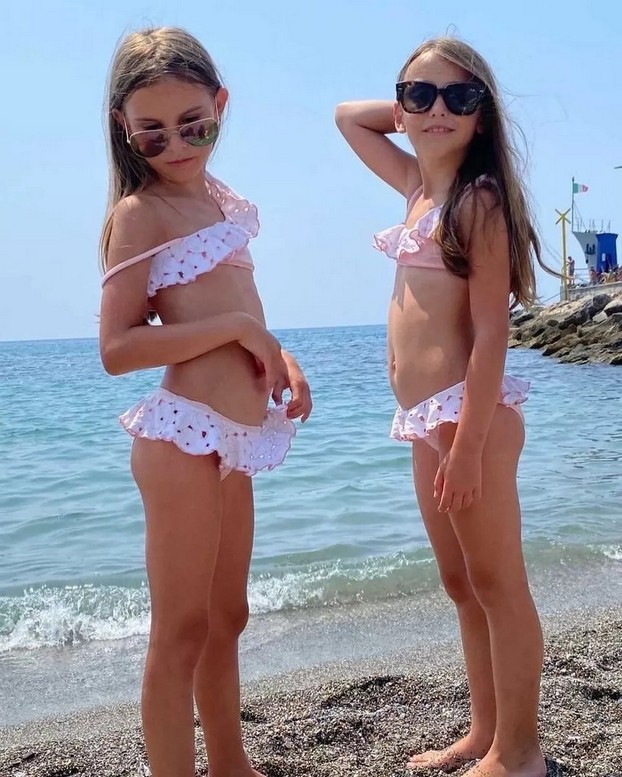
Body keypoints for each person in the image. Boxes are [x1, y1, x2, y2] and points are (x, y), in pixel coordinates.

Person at [98, 27, 312, 777]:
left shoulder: (222, 203)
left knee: (228, 618)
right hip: (182, 440)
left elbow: (237, 308)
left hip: (235, 439)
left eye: (194, 124)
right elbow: (117, 348)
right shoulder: (141, 213)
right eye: (152, 133)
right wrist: (238, 331)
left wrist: (278, 354)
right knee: (181, 631)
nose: (176, 145)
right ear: (124, 127)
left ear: (221, 104)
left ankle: (231, 764)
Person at [336, 37, 549, 777]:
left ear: (482, 116)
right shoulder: (415, 189)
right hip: (427, 421)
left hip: (468, 421)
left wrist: (467, 446)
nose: (437, 110)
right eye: (419, 94)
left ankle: (519, 751)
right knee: (462, 585)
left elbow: (491, 334)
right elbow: (348, 117)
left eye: (460, 98)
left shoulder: (475, 200)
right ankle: (485, 730)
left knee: (498, 584)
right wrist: (412, 111)